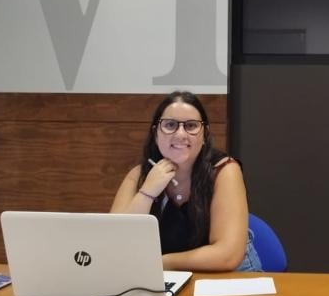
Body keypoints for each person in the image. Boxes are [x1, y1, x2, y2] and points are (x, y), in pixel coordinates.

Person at [110, 91, 263, 272]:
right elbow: (115, 245)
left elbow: (227, 255)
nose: (180, 134)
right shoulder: (138, 176)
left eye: (191, 126)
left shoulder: (224, 171)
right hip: (165, 276)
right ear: (156, 134)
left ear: (204, 134)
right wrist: (147, 192)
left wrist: (158, 263)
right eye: (170, 125)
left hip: (227, 275)